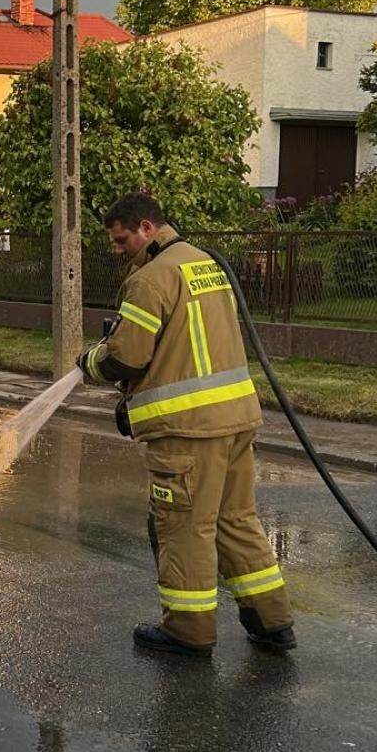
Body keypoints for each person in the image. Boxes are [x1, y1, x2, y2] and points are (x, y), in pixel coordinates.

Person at [77, 193, 295, 657]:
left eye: (121, 240)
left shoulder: (150, 280)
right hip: (236, 420)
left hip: (188, 431)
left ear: (145, 228)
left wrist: (90, 363)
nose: (118, 250)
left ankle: (188, 631)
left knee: (184, 527)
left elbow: (128, 355)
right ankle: (272, 622)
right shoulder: (203, 264)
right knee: (236, 520)